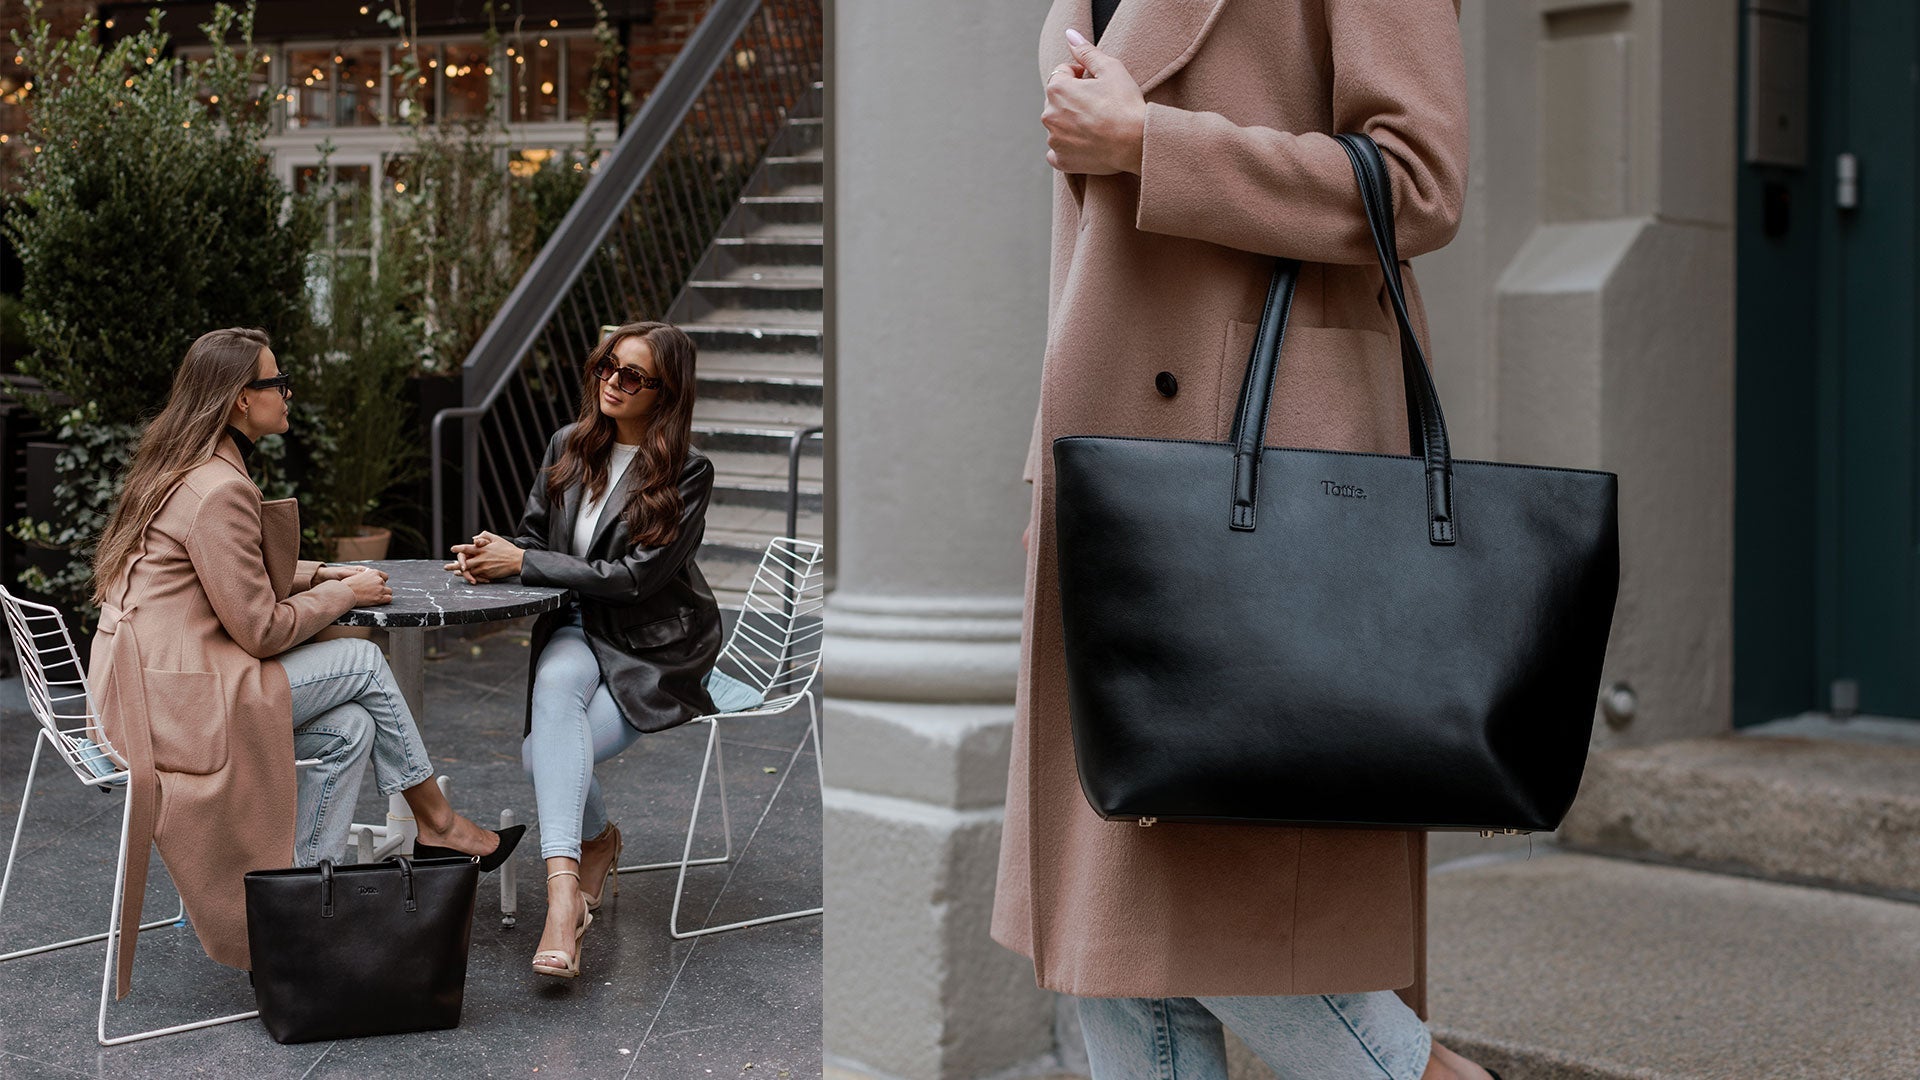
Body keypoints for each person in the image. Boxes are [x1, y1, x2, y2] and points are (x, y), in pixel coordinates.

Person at [999, 3, 1500, 1078]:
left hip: (1259, 473)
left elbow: (1418, 179)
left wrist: (1153, 144)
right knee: (1117, 955)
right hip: (1116, 474)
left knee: (1232, 920)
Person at [88, 327, 522, 1000]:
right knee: (365, 662)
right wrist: (344, 595)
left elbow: (224, 572)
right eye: (278, 383)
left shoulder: (183, 465)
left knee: (352, 728)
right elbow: (260, 629)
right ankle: (439, 824)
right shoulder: (217, 488)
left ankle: (294, 909)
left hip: (147, 687)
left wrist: (321, 573)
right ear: (241, 399)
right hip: (178, 706)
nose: (287, 394)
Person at [444, 321, 723, 979]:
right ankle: (564, 896)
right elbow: (533, 541)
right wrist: (495, 556)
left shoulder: (688, 471)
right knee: (555, 701)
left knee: (541, 755)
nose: (612, 382)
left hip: (650, 645)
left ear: (666, 393)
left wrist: (525, 563)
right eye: (606, 365)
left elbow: (636, 579)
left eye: (633, 376)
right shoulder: (568, 444)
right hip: (576, 624)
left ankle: (593, 851)